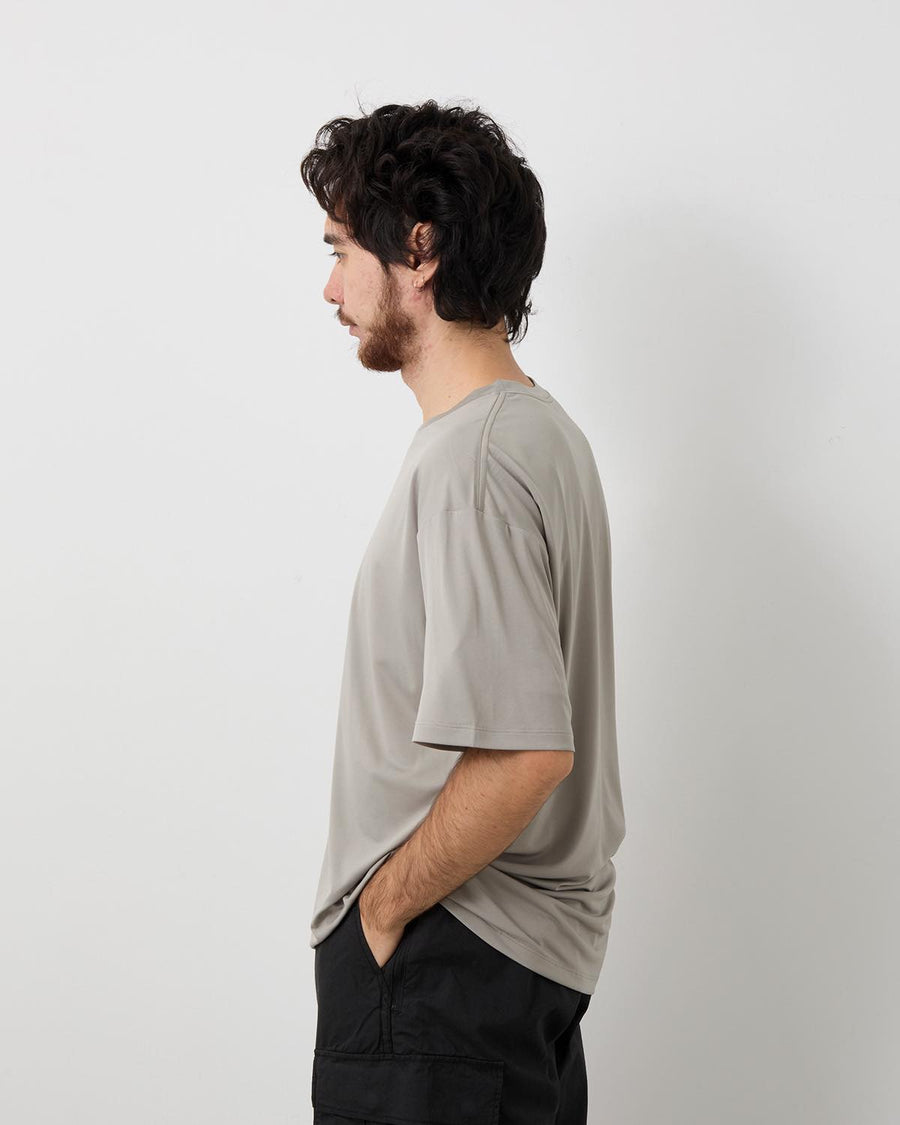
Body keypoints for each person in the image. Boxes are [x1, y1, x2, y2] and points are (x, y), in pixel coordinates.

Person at [300, 99, 626, 1124]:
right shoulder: (543, 436)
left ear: (421, 249)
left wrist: (383, 908)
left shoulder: (471, 463)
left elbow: (527, 754)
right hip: (504, 978)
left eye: (342, 249)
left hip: (442, 971)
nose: (330, 287)